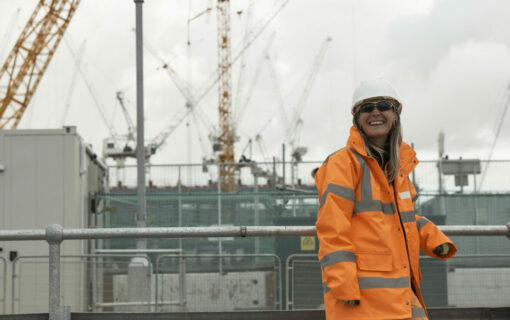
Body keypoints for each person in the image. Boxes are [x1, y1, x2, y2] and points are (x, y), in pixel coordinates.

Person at [314, 77, 457, 320]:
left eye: (383, 106)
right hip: (360, 295)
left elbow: (404, 218)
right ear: (357, 118)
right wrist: (342, 282)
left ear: (396, 114)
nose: (375, 113)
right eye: (367, 108)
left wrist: (434, 239)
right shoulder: (342, 163)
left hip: (399, 289)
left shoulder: (397, 168)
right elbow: (332, 226)